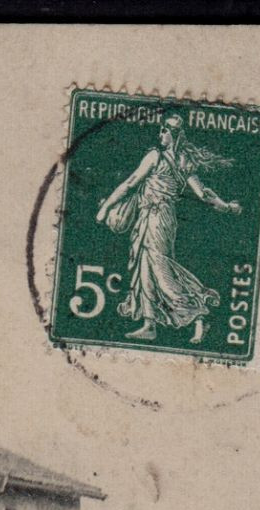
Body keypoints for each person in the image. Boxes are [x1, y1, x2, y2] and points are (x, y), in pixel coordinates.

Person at [94, 113, 241, 344]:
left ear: (173, 135)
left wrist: (106, 208)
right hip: (153, 218)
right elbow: (203, 194)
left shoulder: (157, 157)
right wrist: (227, 207)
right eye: (161, 130)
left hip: (157, 219)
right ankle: (149, 324)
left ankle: (198, 315)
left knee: (161, 271)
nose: (160, 134)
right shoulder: (184, 162)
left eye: (164, 131)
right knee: (146, 269)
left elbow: (131, 182)